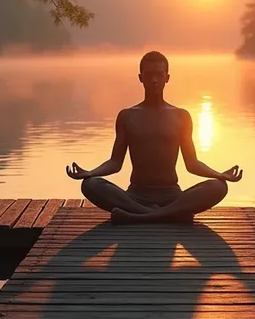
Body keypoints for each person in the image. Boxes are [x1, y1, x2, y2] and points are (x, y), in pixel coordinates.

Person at [66, 51, 243, 223]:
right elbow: (115, 162)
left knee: (219, 186)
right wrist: (90, 173)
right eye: (149, 75)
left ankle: (140, 216)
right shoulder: (127, 116)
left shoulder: (181, 116)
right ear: (140, 77)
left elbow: (192, 163)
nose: (154, 80)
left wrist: (219, 174)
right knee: (90, 184)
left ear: (167, 77)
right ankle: (168, 215)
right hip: (135, 195)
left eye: (159, 74)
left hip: (172, 195)